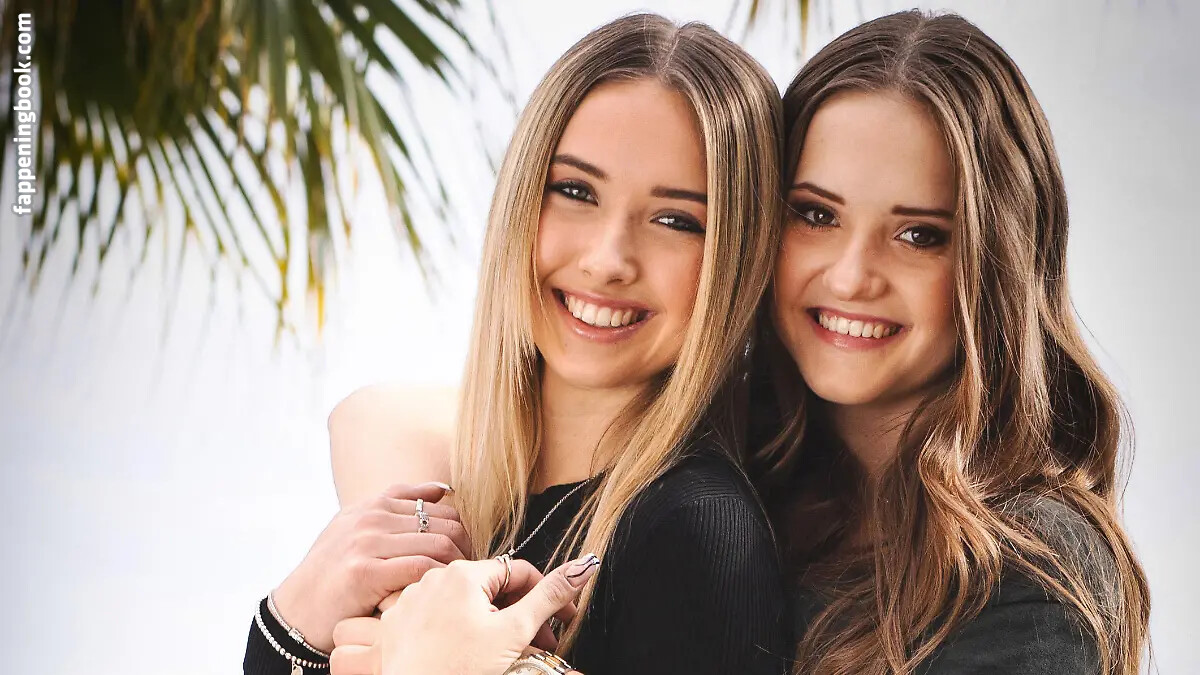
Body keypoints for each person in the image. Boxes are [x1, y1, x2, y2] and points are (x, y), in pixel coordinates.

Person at [243, 13, 792, 675]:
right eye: (575, 191)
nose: (607, 259)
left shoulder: (699, 530)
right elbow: (373, 414)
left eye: (676, 220)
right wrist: (293, 622)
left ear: (738, 255)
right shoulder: (473, 499)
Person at [748, 10, 1151, 674]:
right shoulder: (730, 482)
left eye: (919, 235)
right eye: (817, 214)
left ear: (998, 266)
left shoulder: (1027, 570)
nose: (850, 276)